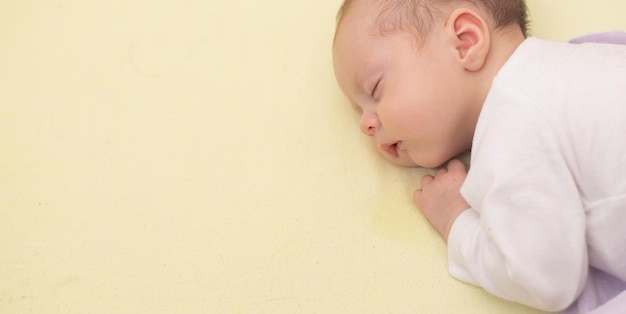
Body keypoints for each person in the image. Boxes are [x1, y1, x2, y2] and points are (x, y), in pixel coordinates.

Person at [332, 0, 626, 312]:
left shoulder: (512, 121)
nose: (365, 124)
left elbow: (546, 279)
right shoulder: (583, 60)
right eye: (360, 110)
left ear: (465, 42)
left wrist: (456, 221)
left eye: (375, 90)